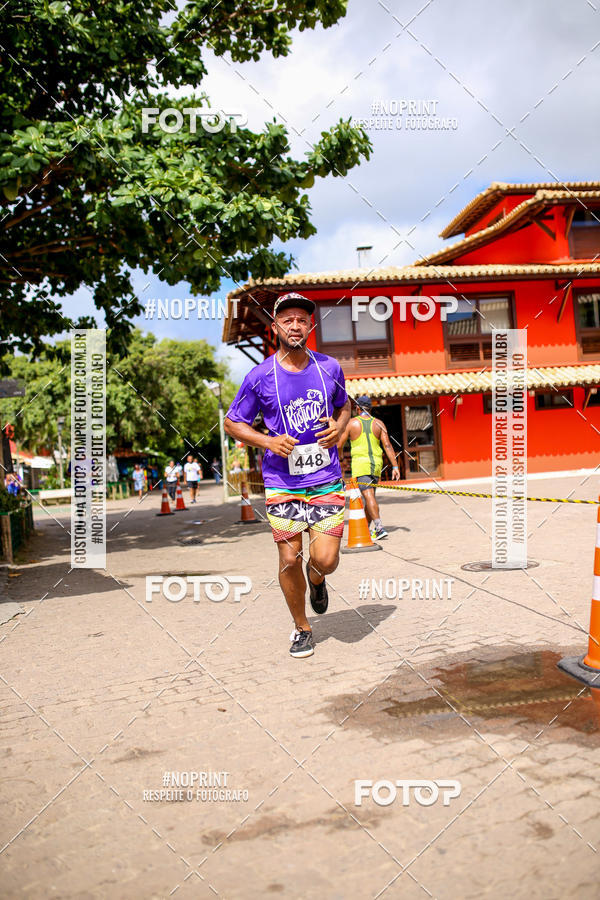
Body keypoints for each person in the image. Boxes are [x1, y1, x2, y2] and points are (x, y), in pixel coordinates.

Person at [225, 291, 351, 659]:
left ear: (310, 325)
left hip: (326, 479)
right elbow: (233, 423)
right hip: (282, 483)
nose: (295, 325)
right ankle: (301, 627)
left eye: (301, 319)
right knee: (288, 559)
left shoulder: (330, 367)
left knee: (326, 559)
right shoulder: (260, 376)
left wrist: (339, 428)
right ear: (276, 326)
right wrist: (268, 441)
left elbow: (344, 406)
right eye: (287, 319)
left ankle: (317, 579)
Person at [337, 395, 400, 540]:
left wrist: (340, 459)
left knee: (369, 496)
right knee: (370, 496)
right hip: (376, 465)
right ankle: (366, 530)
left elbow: (339, 444)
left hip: (361, 465)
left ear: (357, 408)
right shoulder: (379, 424)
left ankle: (379, 528)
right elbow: (388, 445)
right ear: (370, 409)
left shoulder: (351, 423)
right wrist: (395, 466)